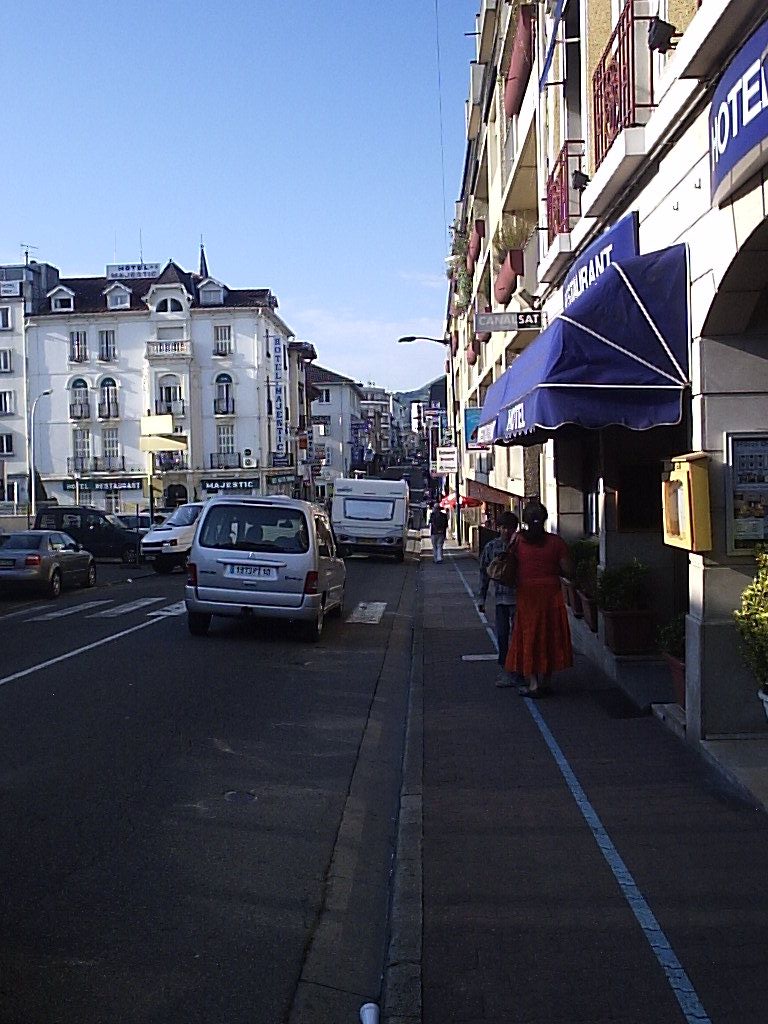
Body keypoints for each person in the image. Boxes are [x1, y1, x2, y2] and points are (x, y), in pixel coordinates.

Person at [505, 501, 573, 697]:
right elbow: (569, 570)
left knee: (530, 636)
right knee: (550, 635)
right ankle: (547, 680)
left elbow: (508, 560)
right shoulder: (556, 542)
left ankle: (533, 683)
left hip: (527, 594)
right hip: (551, 594)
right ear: (544, 519)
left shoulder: (518, 540)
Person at [477, 510, 524, 688]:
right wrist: (480, 598)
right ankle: (506, 671)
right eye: (503, 528)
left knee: (517, 636)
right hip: (500, 600)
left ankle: (518, 670)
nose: (506, 532)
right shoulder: (491, 547)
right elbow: (483, 573)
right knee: (502, 636)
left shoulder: (521, 547)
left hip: (519, 599)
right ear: (499, 528)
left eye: (510, 528)